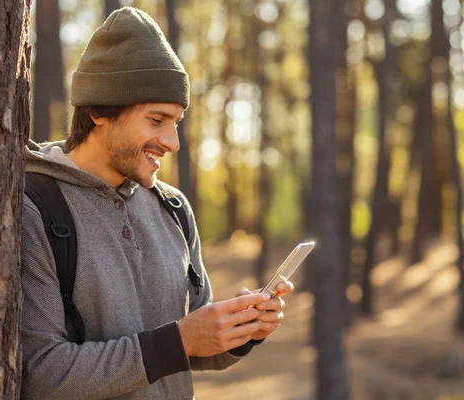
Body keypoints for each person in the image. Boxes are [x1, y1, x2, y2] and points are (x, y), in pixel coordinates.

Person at [21, 7, 294, 399]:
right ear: (99, 110)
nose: (172, 142)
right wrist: (178, 342)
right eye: (156, 120)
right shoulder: (37, 210)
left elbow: (191, 347)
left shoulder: (173, 208)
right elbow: (42, 373)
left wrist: (240, 330)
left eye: (176, 123)